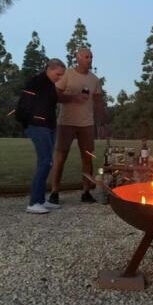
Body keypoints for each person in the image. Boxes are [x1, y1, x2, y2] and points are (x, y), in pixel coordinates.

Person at [49, 47, 107, 204]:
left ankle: (86, 191)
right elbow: (55, 95)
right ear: (78, 58)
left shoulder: (94, 80)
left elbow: (98, 102)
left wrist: (101, 123)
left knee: (88, 158)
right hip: (66, 122)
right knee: (60, 157)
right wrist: (73, 97)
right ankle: (54, 192)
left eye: (91, 57)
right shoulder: (67, 74)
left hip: (86, 124)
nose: (90, 60)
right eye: (87, 57)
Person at [15, 59, 66, 214]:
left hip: (48, 126)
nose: (59, 78)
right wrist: (30, 122)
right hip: (38, 126)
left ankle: (41, 199)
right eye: (58, 74)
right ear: (49, 69)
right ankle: (34, 202)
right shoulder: (35, 82)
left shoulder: (50, 85)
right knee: (45, 161)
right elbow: (24, 105)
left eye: (62, 75)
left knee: (46, 162)